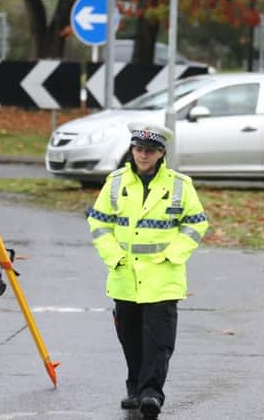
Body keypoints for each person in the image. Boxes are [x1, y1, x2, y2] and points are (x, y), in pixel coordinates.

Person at [87, 122, 208, 418]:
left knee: (158, 339)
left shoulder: (180, 184)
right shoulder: (115, 182)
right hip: (125, 275)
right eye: (139, 149)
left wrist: (173, 254)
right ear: (132, 149)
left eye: (150, 151)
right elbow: (99, 222)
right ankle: (135, 388)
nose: (143, 155)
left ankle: (152, 393)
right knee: (130, 337)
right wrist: (114, 256)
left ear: (161, 153)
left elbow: (196, 223)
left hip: (162, 276)